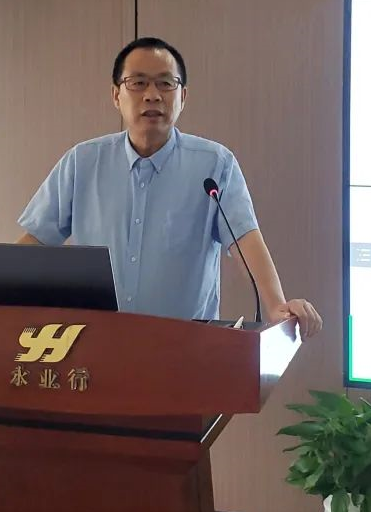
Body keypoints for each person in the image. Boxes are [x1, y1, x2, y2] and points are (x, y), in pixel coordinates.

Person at [16, 37, 323, 339]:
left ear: (183, 96)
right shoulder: (82, 162)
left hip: (185, 348)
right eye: (138, 83)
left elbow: (245, 239)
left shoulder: (214, 164)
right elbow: (36, 239)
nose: (152, 95)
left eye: (165, 84)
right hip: (97, 344)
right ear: (116, 95)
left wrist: (276, 306)